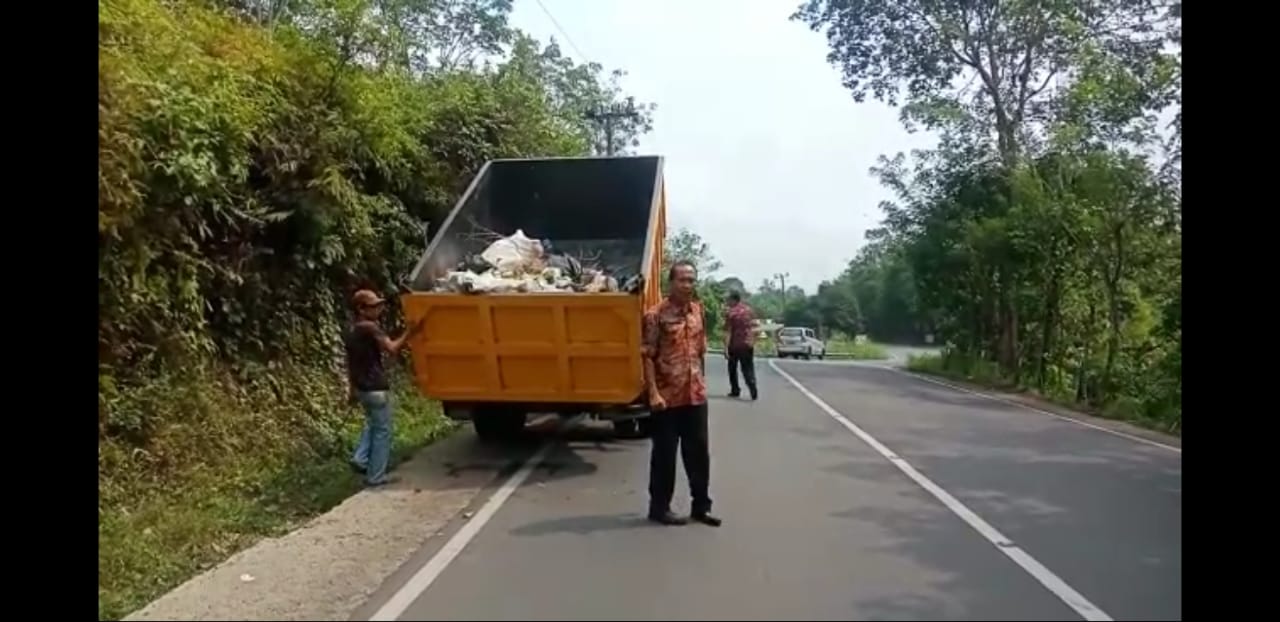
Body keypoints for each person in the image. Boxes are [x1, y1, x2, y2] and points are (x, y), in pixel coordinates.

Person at [642, 260, 721, 527]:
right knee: (664, 456)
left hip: (695, 396)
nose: (687, 285)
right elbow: (648, 356)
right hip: (666, 398)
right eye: (682, 280)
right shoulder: (656, 315)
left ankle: (701, 506)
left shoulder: (698, 311)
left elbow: (700, 352)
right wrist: (653, 393)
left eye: (691, 280)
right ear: (671, 283)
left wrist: (702, 383)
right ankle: (659, 507)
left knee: (699, 454)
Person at [345, 289, 423, 487]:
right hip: (376, 388)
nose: (378, 309)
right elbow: (392, 348)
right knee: (383, 431)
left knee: (372, 424)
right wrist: (410, 332)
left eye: (378, 305)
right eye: (373, 306)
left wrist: (352, 389)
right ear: (361, 309)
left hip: (362, 388)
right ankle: (376, 476)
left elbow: (350, 362)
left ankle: (360, 458)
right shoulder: (371, 328)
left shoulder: (351, 330)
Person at [723, 290, 758, 400]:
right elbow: (756, 327)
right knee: (748, 368)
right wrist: (753, 340)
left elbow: (728, 331)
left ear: (734, 300)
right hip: (747, 344)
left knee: (732, 368)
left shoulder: (731, 313)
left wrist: (725, 347)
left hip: (734, 345)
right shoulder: (749, 310)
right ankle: (751, 383)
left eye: (728, 299)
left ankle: (735, 390)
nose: (727, 301)